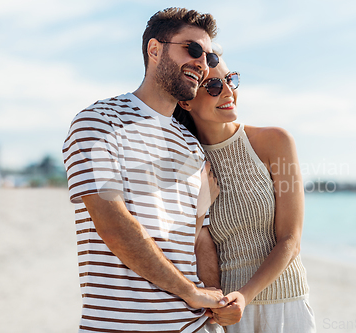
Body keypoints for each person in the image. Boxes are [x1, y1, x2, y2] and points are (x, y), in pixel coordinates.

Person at [62, 8, 227, 333]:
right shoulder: (99, 123)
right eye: (192, 49)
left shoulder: (191, 146)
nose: (201, 63)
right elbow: (113, 224)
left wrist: (216, 306)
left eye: (208, 58)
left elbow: (200, 238)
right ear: (155, 49)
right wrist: (190, 293)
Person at [174, 57, 317, 332]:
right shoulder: (186, 162)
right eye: (213, 85)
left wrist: (246, 294)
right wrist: (201, 208)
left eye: (231, 79)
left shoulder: (275, 141)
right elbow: (185, 246)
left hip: (285, 307)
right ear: (186, 101)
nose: (228, 91)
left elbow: (291, 239)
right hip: (225, 313)